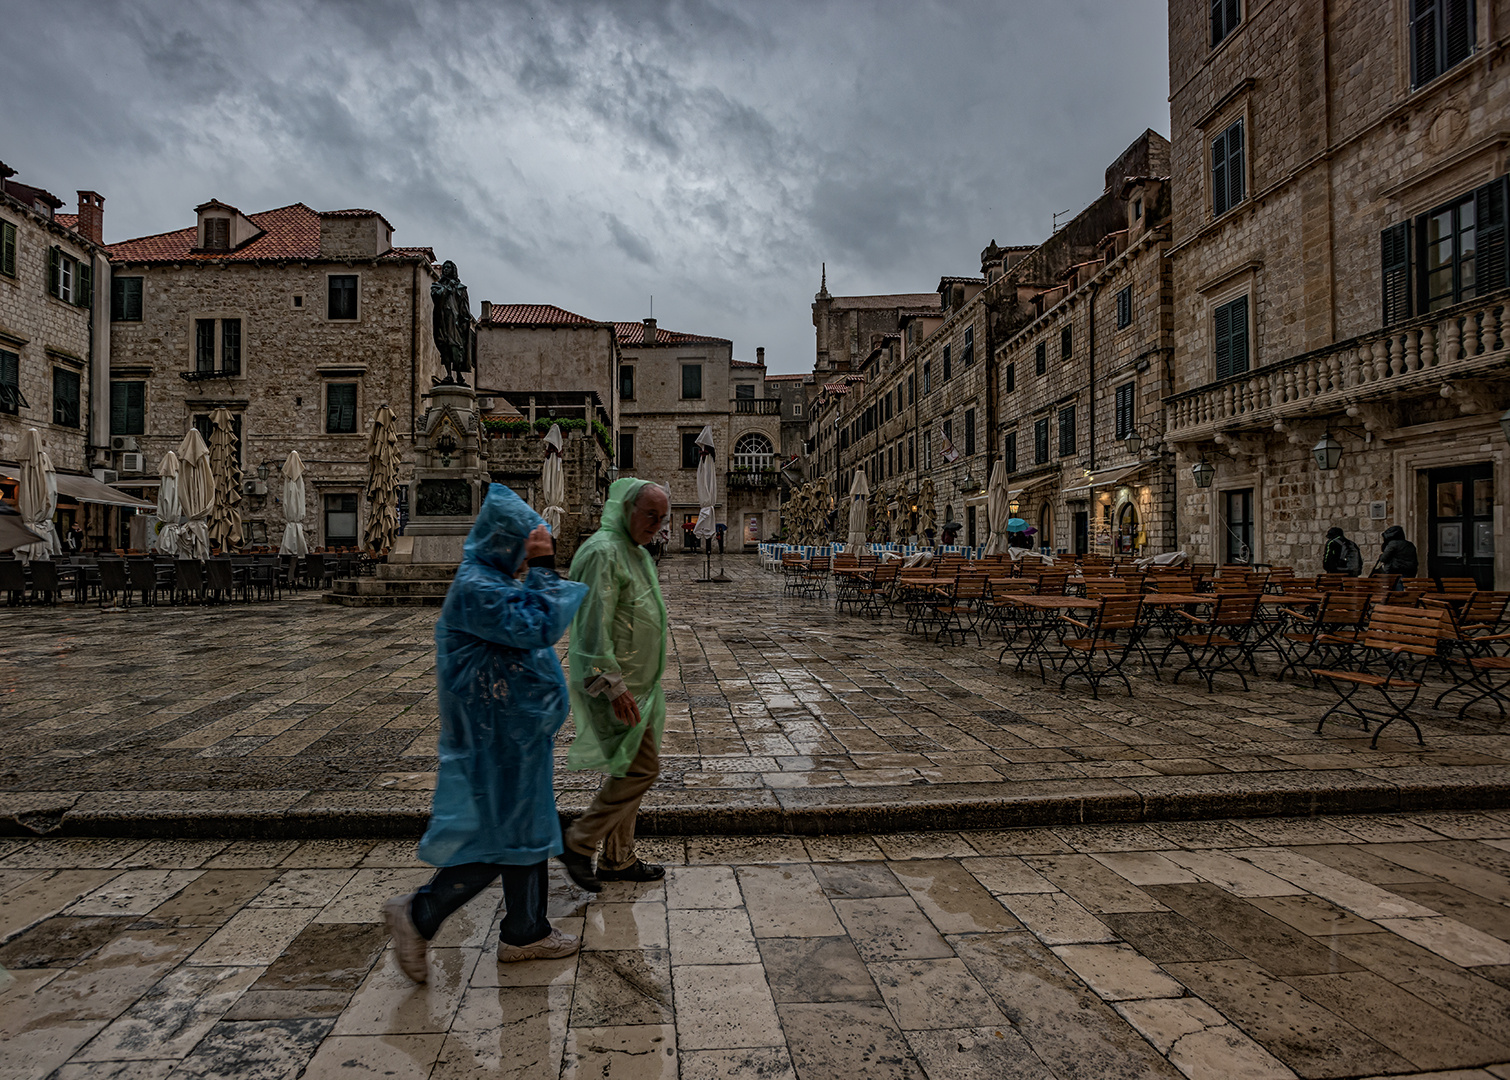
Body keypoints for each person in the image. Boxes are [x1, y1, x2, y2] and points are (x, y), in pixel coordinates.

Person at [383, 485, 588, 983]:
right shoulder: (479, 587)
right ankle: (419, 914)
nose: (524, 557)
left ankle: (526, 930)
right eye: (522, 546)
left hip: (513, 738)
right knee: (502, 840)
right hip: (495, 740)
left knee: (526, 830)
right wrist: (543, 567)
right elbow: (538, 626)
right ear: (505, 541)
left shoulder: (489, 579)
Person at [558, 478, 671, 892]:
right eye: (650, 515)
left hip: (640, 688)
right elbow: (591, 628)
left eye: (662, 519)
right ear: (627, 509)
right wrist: (614, 686)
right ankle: (580, 840)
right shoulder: (603, 552)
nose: (656, 525)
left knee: (629, 771)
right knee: (641, 769)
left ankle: (619, 859)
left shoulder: (634, 551)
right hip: (615, 689)